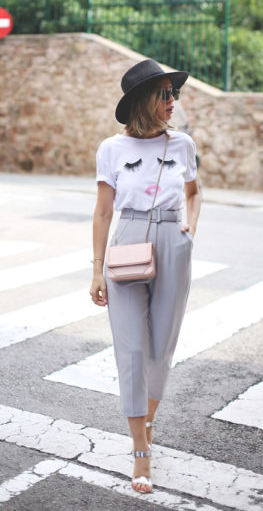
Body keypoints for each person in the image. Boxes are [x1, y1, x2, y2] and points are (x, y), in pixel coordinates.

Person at [90, 59, 201, 494]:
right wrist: (96, 269)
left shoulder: (184, 145)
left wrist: (190, 227)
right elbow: (102, 211)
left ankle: (148, 420)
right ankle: (141, 450)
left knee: (161, 346)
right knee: (132, 347)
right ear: (144, 101)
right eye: (165, 94)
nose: (173, 101)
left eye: (175, 93)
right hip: (128, 237)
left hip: (174, 240)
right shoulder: (111, 150)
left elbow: (194, 194)